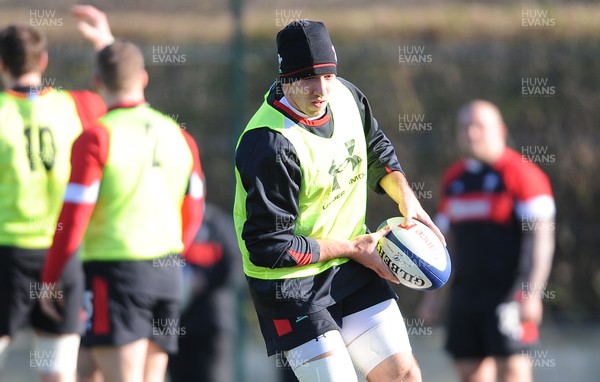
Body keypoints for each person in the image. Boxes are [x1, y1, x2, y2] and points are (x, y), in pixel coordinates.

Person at [233, 20, 445, 382]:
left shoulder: (346, 95)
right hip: (291, 285)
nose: (321, 90)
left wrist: (406, 197)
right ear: (285, 79)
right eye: (307, 79)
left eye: (328, 76)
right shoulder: (270, 144)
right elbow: (267, 247)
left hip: (351, 265)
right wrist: (351, 247)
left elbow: (375, 147)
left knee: (404, 375)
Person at [39, 35, 205, 382]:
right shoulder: (178, 134)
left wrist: (51, 276)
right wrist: (177, 251)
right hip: (166, 274)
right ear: (143, 79)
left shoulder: (96, 137)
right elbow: (194, 207)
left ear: (97, 82)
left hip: (116, 274)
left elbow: (73, 215)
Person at [0, 10, 110, 381]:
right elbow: (119, 90)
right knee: (57, 372)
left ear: (1, 64)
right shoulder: (76, 107)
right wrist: (105, 44)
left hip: (7, 251)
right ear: (43, 61)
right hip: (62, 252)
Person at [418, 100, 556, 382]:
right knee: (469, 372)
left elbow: (541, 238)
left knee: (513, 369)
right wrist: (432, 296)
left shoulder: (523, 174)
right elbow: (443, 243)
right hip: (466, 295)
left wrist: (531, 292)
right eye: (465, 127)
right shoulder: (454, 179)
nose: (471, 134)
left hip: (508, 295)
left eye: (479, 126)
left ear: (501, 130)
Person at [167, 201, 242, 382]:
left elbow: (235, 268)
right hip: (177, 325)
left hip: (212, 324)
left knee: (214, 376)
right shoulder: (169, 224)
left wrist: (204, 281)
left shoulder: (217, 224)